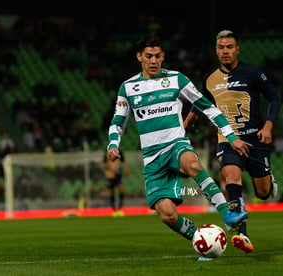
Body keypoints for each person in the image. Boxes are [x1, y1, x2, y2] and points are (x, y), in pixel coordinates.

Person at [106, 34, 251, 260]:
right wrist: (113, 144)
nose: (153, 61)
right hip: (152, 159)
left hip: (176, 144)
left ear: (163, 56)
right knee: (167, 215)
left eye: (157, 56)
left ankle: (227, 213)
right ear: (139, 57)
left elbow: (207, 107)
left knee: (192, 163)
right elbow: (118, 121)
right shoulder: (128, 87)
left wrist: (231, 136)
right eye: (148, 56)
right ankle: (199, 239)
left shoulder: (176, 79)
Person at [184, 30, 282, 254]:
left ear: (237, 49)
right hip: (228, 140)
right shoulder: (209, 78)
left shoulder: (253, 73)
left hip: (256, 139)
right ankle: (242, 234)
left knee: (263, 192)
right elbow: (201, 103)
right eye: (221, 48)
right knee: (231, 178)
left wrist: (268, 126)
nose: (225, 51)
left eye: (229, 47)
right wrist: (186, 123)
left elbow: (275, 97)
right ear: (216, 51)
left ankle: (269, 182)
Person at [102, 149, 131, 217]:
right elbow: (103, 164)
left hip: (118, 173)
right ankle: (114, 210)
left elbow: (123, 162)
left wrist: (127, 170)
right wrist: (110, 168)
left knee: (121, 189)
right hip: (110, 174)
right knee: (111, 191)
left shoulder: (120, 151)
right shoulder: (106, 152)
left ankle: (120, 209)